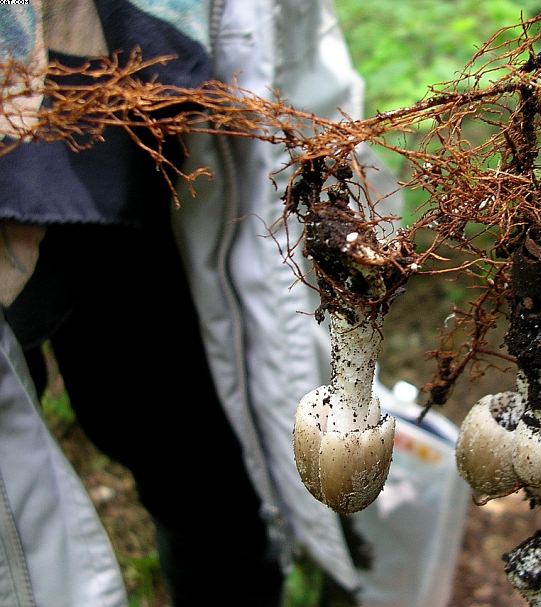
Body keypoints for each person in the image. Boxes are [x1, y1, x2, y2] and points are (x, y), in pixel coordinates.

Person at [0, 1, 396, 604]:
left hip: (171, 168)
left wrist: (352, 196)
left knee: (196, 460)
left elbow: (295, 45)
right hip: (36, 177)